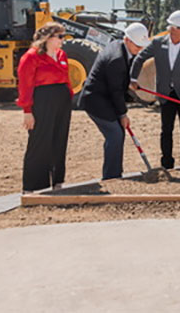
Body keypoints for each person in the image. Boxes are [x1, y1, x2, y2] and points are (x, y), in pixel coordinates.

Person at [81, 23, 151, 179]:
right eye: (137, 46)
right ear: (127, 40)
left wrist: (131, 81)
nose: (139, 50)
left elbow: (122, 79)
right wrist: (123, 114)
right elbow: (116, 91)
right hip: (95, 100)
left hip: (106, 98)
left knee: (117, 134)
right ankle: (111, 177)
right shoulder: (116, 59)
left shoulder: (119, 46)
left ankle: (114, 174)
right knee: (115, 134)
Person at [130, 10, 180, 169]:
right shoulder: (157, 43)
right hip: (165, 94)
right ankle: (167, 163)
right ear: (173, 29)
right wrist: (133, 79)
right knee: (166, 130)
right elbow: (140, 58)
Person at [16, 22, 73, 193]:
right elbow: (25, 85)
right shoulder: (31, 57)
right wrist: (27, 111)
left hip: (62, 101)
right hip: (42, 100)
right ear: (48, 38)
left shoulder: (62, 54)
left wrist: (68, 94)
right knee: (40, 140)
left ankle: (57, 181)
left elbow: (66, 77)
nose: (63, 40)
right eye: (60, 36)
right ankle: (32, 186)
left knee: (59, 139)